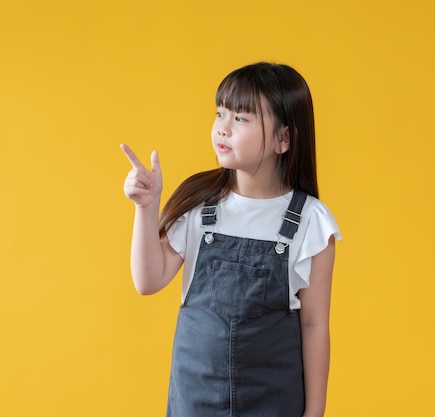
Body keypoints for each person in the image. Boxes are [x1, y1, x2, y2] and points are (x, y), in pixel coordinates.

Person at [121, 62, 342, 417]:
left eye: (241, 118)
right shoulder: (199, 204)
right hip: (196, 399)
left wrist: (314, 412)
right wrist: (146, 209)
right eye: (220, 112)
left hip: (274, 402)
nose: (223, 127)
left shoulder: (311, 222)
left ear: (283, 139)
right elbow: (148, 281)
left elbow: (315, 325)